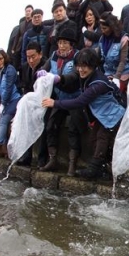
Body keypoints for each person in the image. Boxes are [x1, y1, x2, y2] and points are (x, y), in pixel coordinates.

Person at [41, 48, 125, 179]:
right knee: (93, 139)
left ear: (93, 66)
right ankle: (104, 170)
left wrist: (55, 103)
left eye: (84, 66)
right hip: (102, 116)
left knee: (102, 138)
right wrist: (57, 78)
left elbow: (80, 101)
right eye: (79, 66)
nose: (80, 69)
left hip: (113, 115)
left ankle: (93, 169)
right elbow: (72, 79)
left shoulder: (98, 84)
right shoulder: (88, 76)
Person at [37, 28, 87, 176]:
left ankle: (72, 164)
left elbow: (74, 75)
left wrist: (60, 78)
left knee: (73, 128)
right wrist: (41, 73)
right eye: (60, 42)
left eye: (65, 43)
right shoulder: (54, 55)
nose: (62, 46)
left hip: (75, 98)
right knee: (51, 125)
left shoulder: (78, 56)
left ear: (71, 44)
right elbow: (45, 68)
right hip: (59, 98)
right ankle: (52, 159)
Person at [15, 41, 48, 166]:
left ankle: (42, 158)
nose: (30, 60)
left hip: (45, 101)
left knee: (44, 124)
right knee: (25, 123)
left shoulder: (46, 65)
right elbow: (24, 86)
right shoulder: (24, 67)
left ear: (40, 54)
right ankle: (26, 155)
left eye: (33, 57)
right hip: (31, 101)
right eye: (28, 57)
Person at [0, 50, 21, 157]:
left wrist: (3, 104)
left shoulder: (10, 70)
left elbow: (8, 88)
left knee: (4, 119)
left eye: (1, 59)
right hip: (6, 101)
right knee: (1, 121)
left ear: (5, 58)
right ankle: (3, 148)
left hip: (14, 99)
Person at [97, 12, 129, 93]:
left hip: (122, 74)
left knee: (116, 93)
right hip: (108, 73)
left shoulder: (123, 39)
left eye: (105, 28)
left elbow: (122, 61)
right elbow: (98, 56)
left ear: (112, 27)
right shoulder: (102, 39)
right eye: (101, 28)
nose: (102, 31)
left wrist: (117, 77)